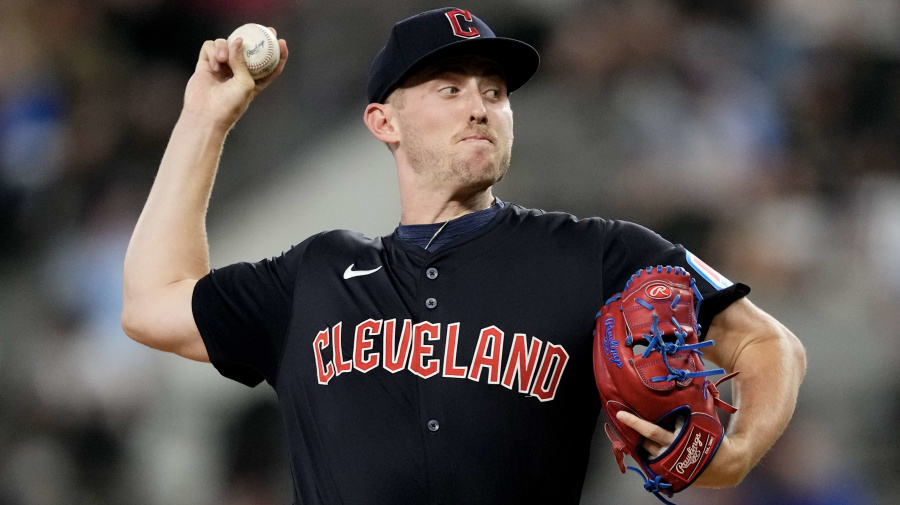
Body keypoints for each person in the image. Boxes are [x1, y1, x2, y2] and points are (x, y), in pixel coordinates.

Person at [122, 7, 806, 504]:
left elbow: (771, 345)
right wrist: (204, 120)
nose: (479, 106)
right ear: (382, 121)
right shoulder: (315, 276)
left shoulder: (597, 254)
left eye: (495, 91)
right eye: (449, 88)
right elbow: (152, 302)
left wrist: (738, 451)